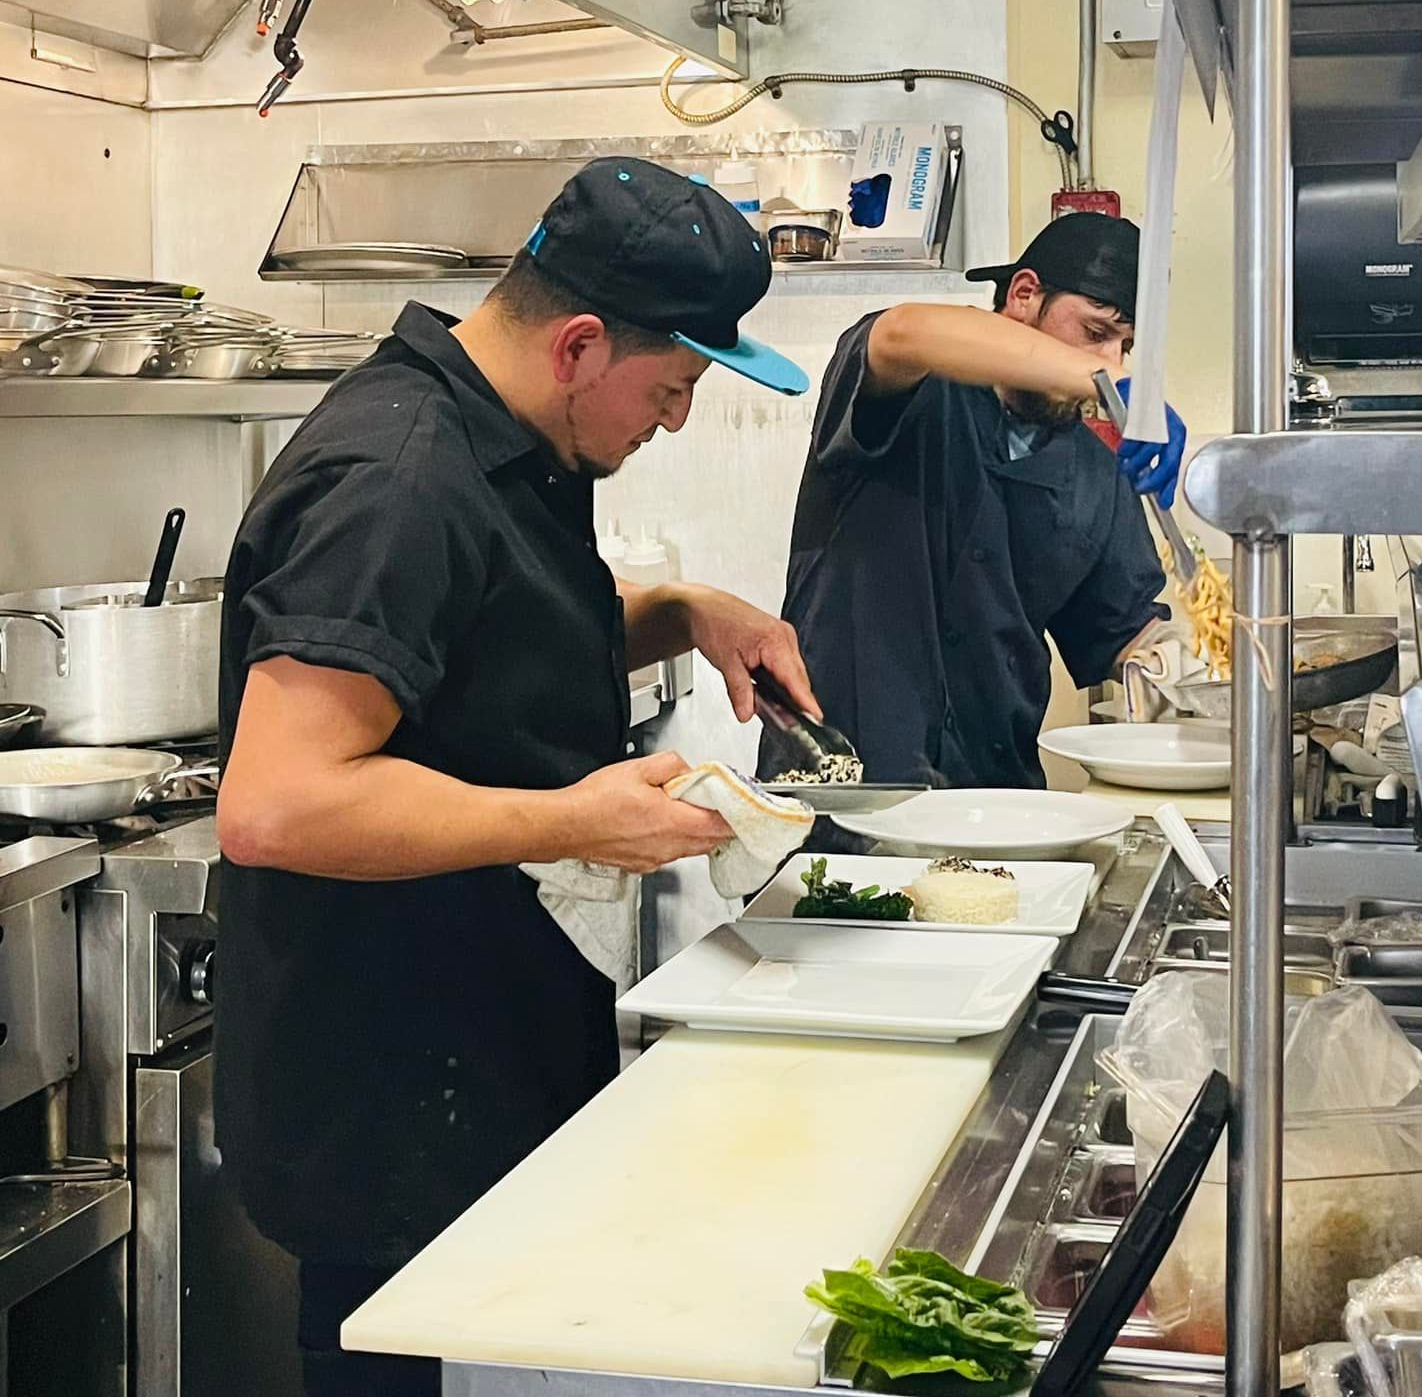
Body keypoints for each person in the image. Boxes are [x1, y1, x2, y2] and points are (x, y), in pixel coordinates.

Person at [214, 157, 818, 1397]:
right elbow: (276, 802)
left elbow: (494, 633)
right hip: (396, 1096)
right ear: (581, 346)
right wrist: (572, 818)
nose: (676, 421)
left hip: (478, 1051)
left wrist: (686, 609)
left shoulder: (512, 444)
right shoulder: (398, 478)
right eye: (674, 387)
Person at [782, 211, 1185, 787]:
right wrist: (1095, 376)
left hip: (994, 801)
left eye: (1125, 348)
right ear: (1024, 294)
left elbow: (1123, 631)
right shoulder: (907, 390)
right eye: (1096, 333)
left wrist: (1194, 675)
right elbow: (902, 332)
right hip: (846, 786)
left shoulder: (1096, 473)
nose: (1112, 362)